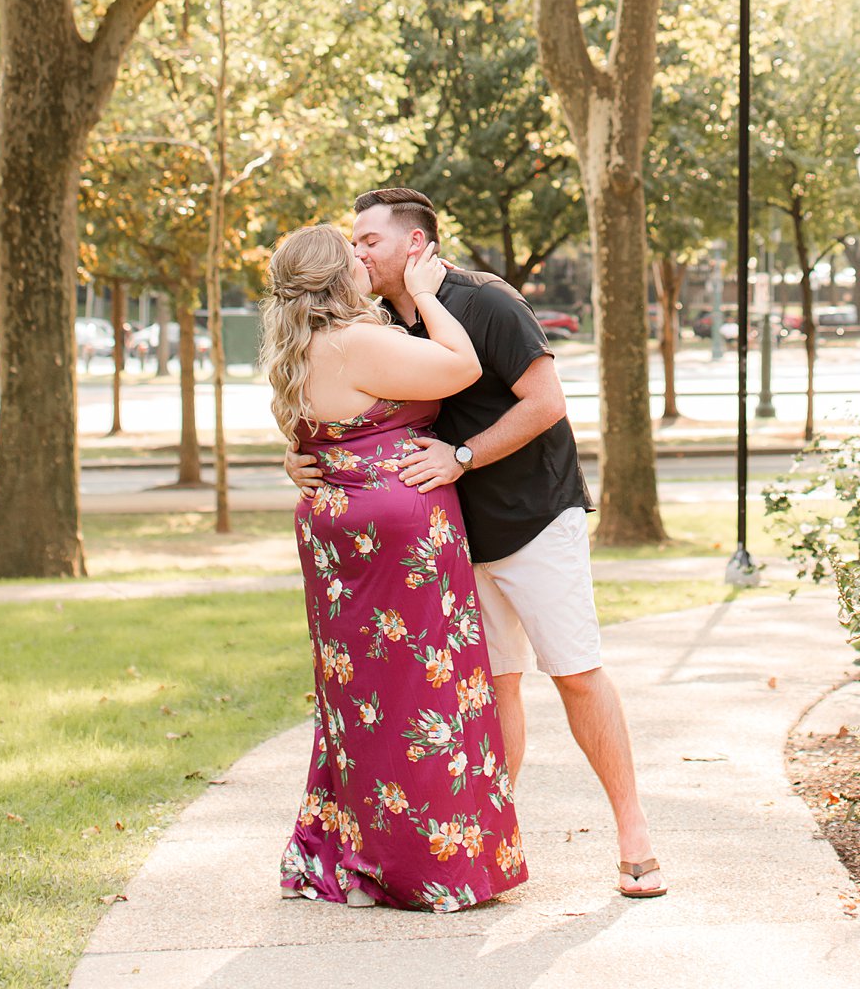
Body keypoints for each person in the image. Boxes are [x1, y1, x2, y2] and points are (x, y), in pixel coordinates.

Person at [286, 187, 666, 900]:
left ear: (415, 244)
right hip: (451, 543)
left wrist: (460, 458)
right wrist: (302, 455)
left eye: (369, 240)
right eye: (353, 242)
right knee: (490, 692)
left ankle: (634, 831)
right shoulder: (373, 320)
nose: (357, 251)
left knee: (577, 671)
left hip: (532, 519)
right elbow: (350, 411)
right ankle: (483, 847)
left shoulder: (485, 300)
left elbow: (546, 402)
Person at [263, 221, 527, 912]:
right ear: (334, 275)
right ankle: (421, 864)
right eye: (352, 252)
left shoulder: (296, 345)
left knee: (356, 700)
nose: (363, 257)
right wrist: (424, 293)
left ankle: (354, 854)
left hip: (333, 533)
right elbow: (461, 366)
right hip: (399, 538)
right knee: (419, 695)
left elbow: (310, 435)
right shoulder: (362, 341)